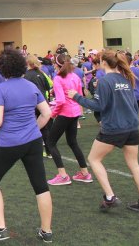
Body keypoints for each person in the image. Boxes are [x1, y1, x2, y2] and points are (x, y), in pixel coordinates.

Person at [0, 49, 53, 243]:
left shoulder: (0, 89)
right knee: (40, 186)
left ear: (2, 69)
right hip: (34, 142)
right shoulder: (30, 86)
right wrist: (33, 129)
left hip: (10, 143)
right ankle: (46, 231)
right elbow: (47, 113)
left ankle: (0, 228)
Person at [68, 50, 139, 212]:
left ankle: (110, 196)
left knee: (94, 159)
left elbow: (98, 106)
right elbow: (134, 106)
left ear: (104, 63)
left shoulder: (105, 81)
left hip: (114, 128)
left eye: (100, 61)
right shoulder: (125, 79)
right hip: (131, 127)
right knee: (134, 164)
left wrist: (76, 97)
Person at [46, 54, 91, 186]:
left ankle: (63, 175)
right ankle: (84, 173)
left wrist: (52, 114)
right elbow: (79, 95)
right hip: (75, 112)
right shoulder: (75, 76)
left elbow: (60, 100)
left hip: (65, 113)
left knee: (50, 142)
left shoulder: (58, 78)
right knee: (72, 142)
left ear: (57, 64)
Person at [24, 56, 53, 157]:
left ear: (27, 63)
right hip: (43, 102)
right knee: (45, 128)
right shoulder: (41, 73)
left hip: (33, 103)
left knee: (35, 126)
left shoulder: (26, 75)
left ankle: (35, 149)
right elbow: (48, 86)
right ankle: (49, 151)